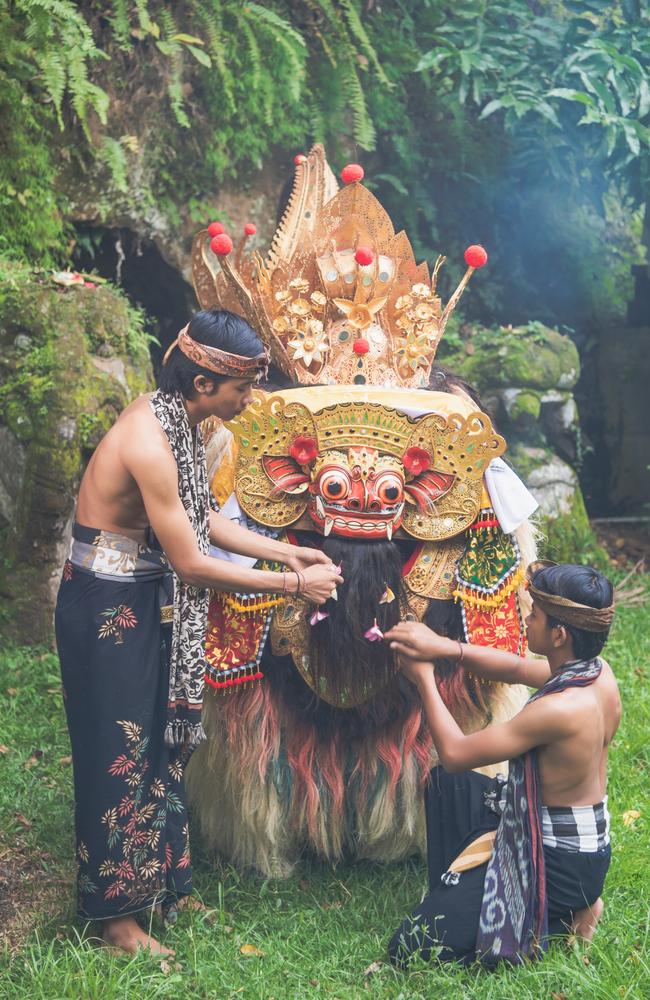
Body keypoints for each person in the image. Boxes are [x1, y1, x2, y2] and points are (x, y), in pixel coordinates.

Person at [55, 308, 343, 956]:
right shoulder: (150, 442)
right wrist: (294, 587)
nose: (251, 398)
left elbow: (201, 520)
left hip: (142, 595)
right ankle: (117, 922)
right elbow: (189, 561)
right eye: (243, 386)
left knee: (160, 739)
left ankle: (165, 886)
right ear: (206, 382)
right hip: (108, 607)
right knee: (119, 754)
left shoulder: (177, 418)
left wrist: (285, 554)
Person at [384, 560, 619, 968]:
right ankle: (465, 891)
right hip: (584, 850)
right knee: (446, 786)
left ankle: (560, 911)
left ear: (559, 634)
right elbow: (513, 667)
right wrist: (444, 648)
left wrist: (423, 678)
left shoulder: (561, 710)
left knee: (412, 947)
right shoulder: (596, 675)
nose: (526, 620)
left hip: (558, 863)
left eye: (534, 615)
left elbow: (456, 753)